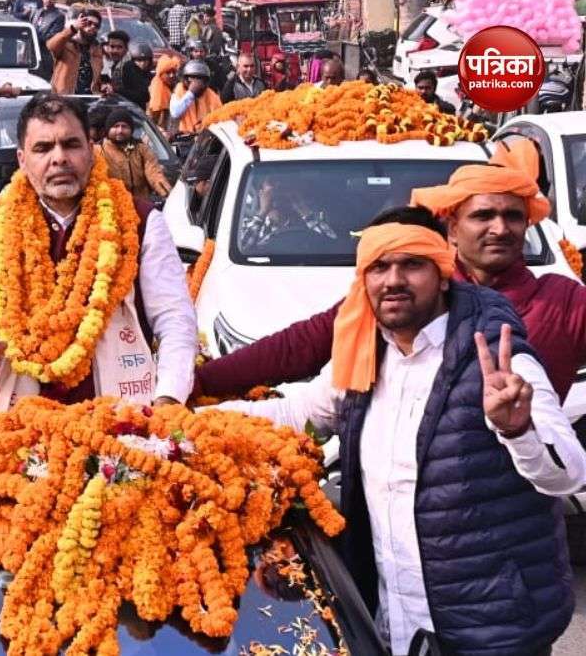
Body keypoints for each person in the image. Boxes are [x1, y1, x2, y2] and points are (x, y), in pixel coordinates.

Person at [215, 206, 585, 656]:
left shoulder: (496, 358)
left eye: (412, 264)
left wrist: (518, 429)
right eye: (379, 266)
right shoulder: (364, 354)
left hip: (490, 629)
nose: (393, 280)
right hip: (394, 625)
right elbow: (297, 412)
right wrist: (174, 421)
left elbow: (569, 473)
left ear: (444, 273)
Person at [195, 138, 586, 410]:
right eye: (483, 216)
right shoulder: (419, 291)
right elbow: (300, 346)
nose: (500, 229)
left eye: (513, 217)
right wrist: (200, 383)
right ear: (451, 227)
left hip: (522, 497)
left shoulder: (563, 300)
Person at [0, 95, 197, 410]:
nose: (59, 158)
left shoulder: (140, 221)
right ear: (22, 159)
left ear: (91, 151)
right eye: (43, 148)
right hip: (24, 421)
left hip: (121, 416)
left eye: (71, 145)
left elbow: (174, 316)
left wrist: (168, 396)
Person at [237, 176, 337, 249]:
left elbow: (331, 243)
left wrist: (303, 209)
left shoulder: (306, 225)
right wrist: (262, 212)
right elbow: (242, 248)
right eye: (272, 182)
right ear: (261, 193)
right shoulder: (246, 225)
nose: (278, 187)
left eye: (284, 184)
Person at [99, 108, 171, 201]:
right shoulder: (99, 151)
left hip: (140, 204)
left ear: (131, 130)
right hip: (111, 207)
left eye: (124, 126)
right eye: (116, 126)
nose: (120, 130)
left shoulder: (142, 149)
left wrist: (167, 193)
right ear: (108, 129)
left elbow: (154, 172)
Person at [48, 11, 103, 95]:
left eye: (96, 25)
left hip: (90, 100)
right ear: (80, 22)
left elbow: (97, 79)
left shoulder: (97, 49)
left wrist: (104, 86)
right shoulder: (66, 44)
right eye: (89, 23)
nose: (92, 27)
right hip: (66, 99)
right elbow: (51, 45)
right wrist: (73, 28)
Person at [169, 59, 222, 137]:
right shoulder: (179, 90)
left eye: (199, 78)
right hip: (184, 138)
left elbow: (220, 115)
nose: (196, 82)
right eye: (192, 78)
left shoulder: (211, 95)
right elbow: (175, 112)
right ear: (186, 79)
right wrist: (191, 93)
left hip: (204, 138)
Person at [32, 0, 65, 80]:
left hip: (46, 57)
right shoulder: (36, 12)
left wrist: (33, 37)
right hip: (32, 56)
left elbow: (51, 37)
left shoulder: (59, 16)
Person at [115, 42, 154, 110]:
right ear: (133, 60)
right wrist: (117, 90)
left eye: (145, 60)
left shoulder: (150, 76)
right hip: (129, 108)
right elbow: (140, 95)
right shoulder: (129, 70)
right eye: (139, 60)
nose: (143, 63)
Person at [147, 54, 179, 134]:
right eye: (168, 73)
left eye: (174, 72)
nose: (172, 76)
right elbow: (153, 119)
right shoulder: (158, 89)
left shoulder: (172, 86)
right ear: (161, 74)